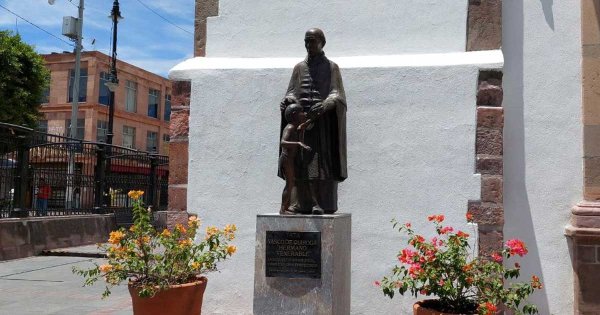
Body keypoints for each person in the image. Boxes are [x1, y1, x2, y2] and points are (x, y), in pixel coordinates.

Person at [279, 28, 347, 214]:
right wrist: (288, 100)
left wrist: (325, 105)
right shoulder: (299, 68)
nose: (309, 45)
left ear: (322, 43)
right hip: (299, 126)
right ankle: (298, 203)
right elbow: (291, 92)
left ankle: (321, 204)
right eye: (306, 41)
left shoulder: (332, 67)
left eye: (313, 41)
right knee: (299, 165)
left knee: (320, 166)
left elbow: (338, 95)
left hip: (322, 125)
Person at [279, 103, 312, 214]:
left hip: (290, 160)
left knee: (291, 183)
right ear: (294, 115)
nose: (304, 114)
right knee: (289, 184)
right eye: (301, 112)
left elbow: (300, 128)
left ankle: (285, 207)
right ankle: (283, 209)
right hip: (286, 159)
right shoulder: (290, 127)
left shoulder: (295, 127)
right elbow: (283, 142)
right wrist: (298, 144)